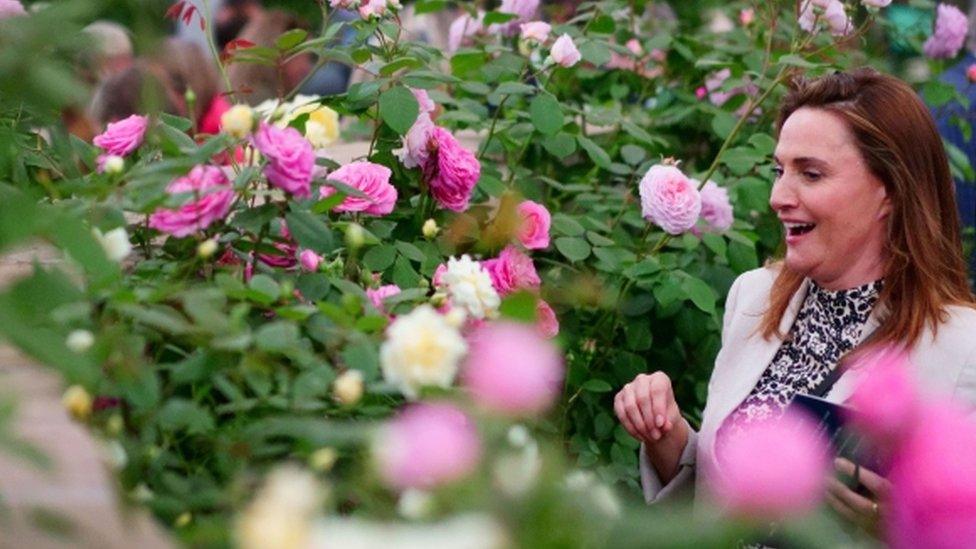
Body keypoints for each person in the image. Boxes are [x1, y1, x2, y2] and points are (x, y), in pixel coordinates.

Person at [614, 69, 976, 527]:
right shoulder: (755, 297)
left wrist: (905, 524)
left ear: (889, 190)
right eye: (779, 170)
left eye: (811, 173)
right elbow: (714, 500)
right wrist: (664, 434)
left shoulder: (962, 350)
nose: (778, 196)